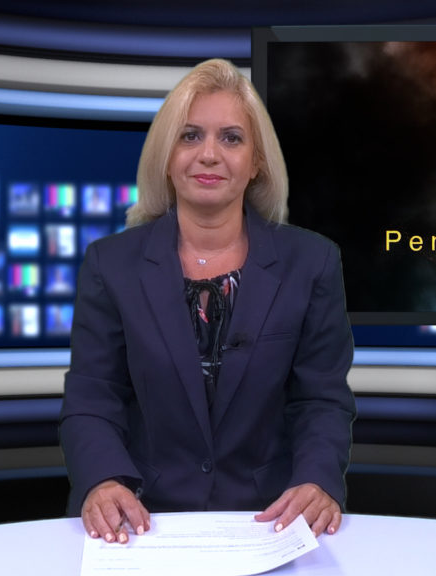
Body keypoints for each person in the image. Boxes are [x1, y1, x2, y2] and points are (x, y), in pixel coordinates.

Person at [60, 58, 355, 544]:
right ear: (166, 155)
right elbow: (93, 396)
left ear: (256, 161)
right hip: (143, 521)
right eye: (190, 136)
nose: (210, 155)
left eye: (232, 138)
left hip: (270, 520)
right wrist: (103, 480)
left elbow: (320, 400)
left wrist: (317, 480)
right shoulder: (110, 264)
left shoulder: (313, 262)